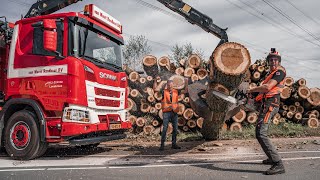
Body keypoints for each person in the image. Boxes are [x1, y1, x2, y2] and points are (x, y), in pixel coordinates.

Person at [247, 48, 286, 175]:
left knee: (260, 133)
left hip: (271, 105)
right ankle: (271, 158)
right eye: (271, 59)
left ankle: (278, 164)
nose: (273, 61)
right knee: (261, 132)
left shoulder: (279, 73)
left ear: (279, 61)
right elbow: (262, 92)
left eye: (275, 59)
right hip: (266, 104)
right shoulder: (269, 75)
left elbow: (267, 88)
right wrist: (252, 98)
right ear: (269, 61)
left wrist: (250, 90)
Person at [153, 76, 188, 151]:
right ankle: (162, 145)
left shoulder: (176, 91)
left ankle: (174, 144)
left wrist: (186, 82)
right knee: (165, 129)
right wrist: (155, 80)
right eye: (169, 85)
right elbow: (155, 89)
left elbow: (185, 91)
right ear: (167, 85)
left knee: (175, 129)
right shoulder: (164, 92)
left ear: (173, 85)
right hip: (166, 113)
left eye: (171, 85)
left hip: (174, 112)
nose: (170, 87)